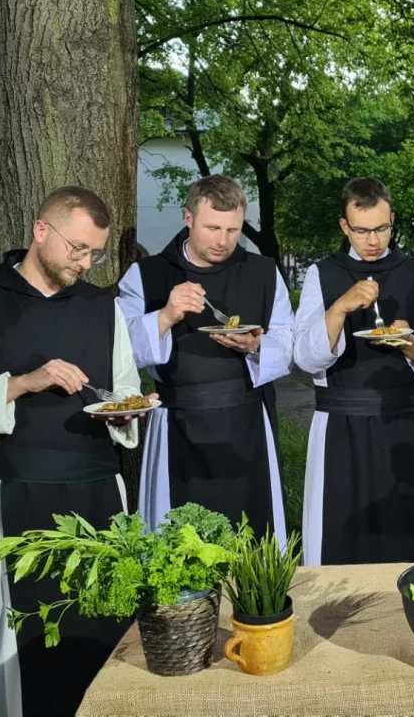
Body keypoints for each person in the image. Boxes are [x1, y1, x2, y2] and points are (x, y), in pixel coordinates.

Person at [0, 187, 147, 717]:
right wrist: (21, 382)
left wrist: (128, 411)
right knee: (23, 637)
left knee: (104, 626)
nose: (85, 262)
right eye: (77, 248)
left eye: (94, 253)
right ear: (40, 230)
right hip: (16, 491)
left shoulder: (102, 308)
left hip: (99, 490)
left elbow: (122, 386)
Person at [117, 175, 293, 539]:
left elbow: (288, 341)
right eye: (213, 227)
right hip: (178, 424)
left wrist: (256, 346)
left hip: (247, 422)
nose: (223, 241)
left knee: (252, 536)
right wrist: (165, 316)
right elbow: (121, 352)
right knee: (179, 539)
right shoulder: (146, 275)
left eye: (233, 229)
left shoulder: (263, 272)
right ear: (188, 218)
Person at [293, 177, 414, 565]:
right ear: (344, 226)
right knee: (339, 530)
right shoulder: (322, 274)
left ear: (392, 220)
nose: (373, 240)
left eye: (382, 228)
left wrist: (413, 346)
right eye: (362, 230)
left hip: (402, 418)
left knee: (406, 534)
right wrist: (340, 308)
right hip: (338, 423)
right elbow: (305, 357)